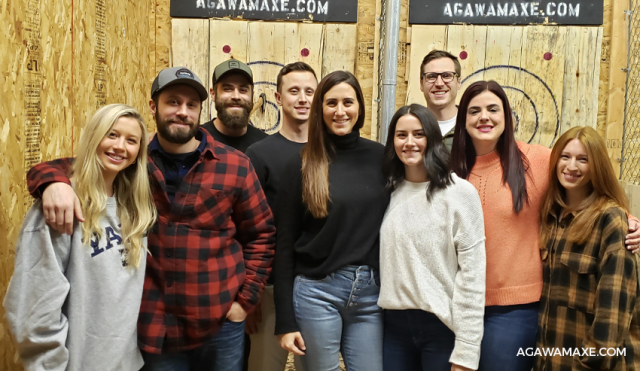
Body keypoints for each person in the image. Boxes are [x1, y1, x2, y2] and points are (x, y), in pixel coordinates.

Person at [24, 66, 276, 371]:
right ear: (154, 107)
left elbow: (261, 234)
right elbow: (76, 164)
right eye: (173, 102)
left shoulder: (235, 165)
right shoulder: (131, 160)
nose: (182, 112)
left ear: (200, 110)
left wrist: (243, 303)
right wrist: (52, 183)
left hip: (220, 324)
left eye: (191, 105)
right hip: (157, 329)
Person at [451, 80, 640, 371]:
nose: (484, 117)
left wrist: (628, 220)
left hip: (514, 309)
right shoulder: (450, 169)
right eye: (474, 110)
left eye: (493, 109)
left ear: (508, 116)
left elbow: (586, 182)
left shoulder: (537, 159)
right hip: (458, 303)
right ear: (462, 118)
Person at [4, 104, 157, 370]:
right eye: (111, 134)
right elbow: (33, 306)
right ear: (94, 135)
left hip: (128, 364)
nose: (121, 146)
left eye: (131, 140)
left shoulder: (135, 207)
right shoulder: (62, 205)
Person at [274, 71, 389, 371]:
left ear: (360, 108)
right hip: (316, 293)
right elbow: (284, 245)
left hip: (370, 294)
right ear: (320, 110)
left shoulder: (382, 158)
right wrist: (285, 321)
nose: (340, 111)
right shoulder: (301, 163)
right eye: (331, 103)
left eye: (348, 102)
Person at [378, 104, 486, 371]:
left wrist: (467, 351)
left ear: (433, 139)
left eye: (419, 134)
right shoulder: (386, 192)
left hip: (441, 329)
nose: (410, 142)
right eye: (401, 135)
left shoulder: (460, 193)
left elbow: (472, 276)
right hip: (393, 329)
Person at [535, 126, 640, 370]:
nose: (572, 167)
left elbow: (613, 313)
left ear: (597, 167)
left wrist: (588, 363)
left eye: (583, 160)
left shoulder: (610, 219)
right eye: (565, 157)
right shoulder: (551, 217)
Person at [244, 61, 318, 371]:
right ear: (278, 96)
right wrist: (250, 291)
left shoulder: (331, 154)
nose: (302, 98)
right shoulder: (259, 154)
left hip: (318, 287)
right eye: (294, 91)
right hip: (270, 289)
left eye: (310, 91)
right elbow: (247, 228)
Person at [201, 58, 268, 152]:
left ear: (252, 95)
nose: (236, 96)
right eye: (228, 89)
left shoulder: (266, 146)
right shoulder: (197, 140)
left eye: (243, 90)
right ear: (213, 94)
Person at [419, 50, 462, 150]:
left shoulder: (471, 127)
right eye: (431, 76)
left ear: (458, 82)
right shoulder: (411, 129)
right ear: (421, 84)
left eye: (447, 76)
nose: (439, 83)